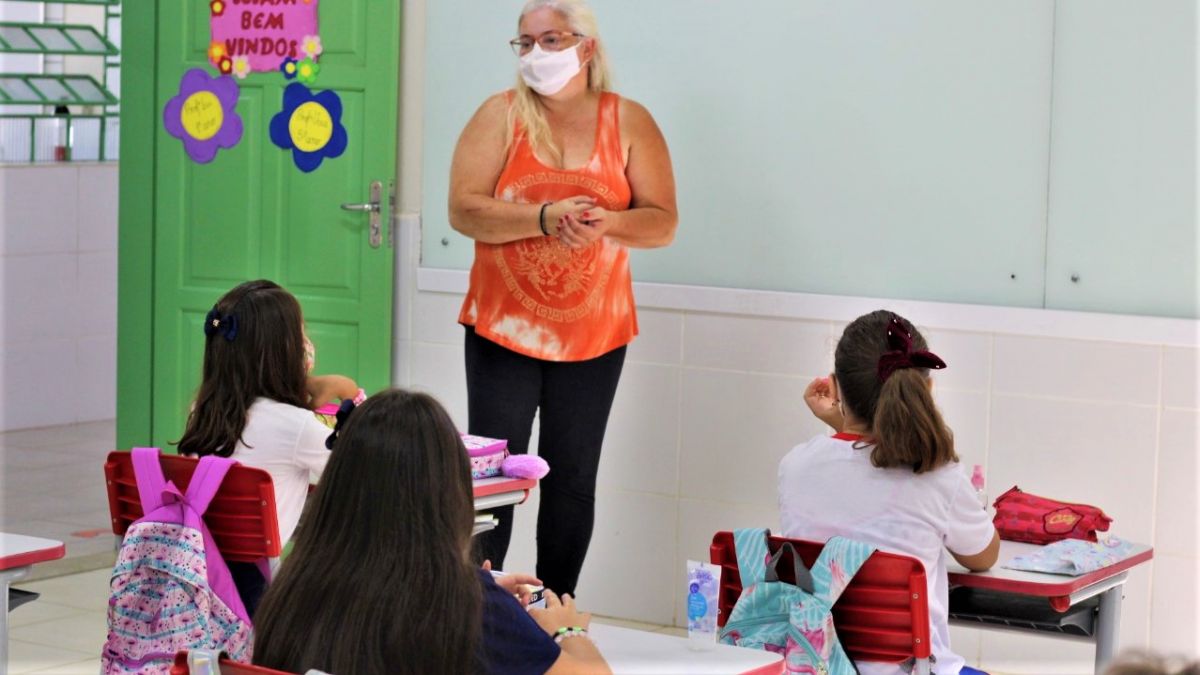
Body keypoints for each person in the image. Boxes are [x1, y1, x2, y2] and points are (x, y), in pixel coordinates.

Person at [448, 0, 678, 597]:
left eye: (551, 40)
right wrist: (544, 217)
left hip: (596, 337)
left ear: (587, 48)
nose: (536, 54)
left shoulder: (629, 121)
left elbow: (661, 222)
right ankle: (483, 611)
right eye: (524, 43)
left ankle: (557, 611)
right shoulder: (498, 116)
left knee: (574, 480)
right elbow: (465, 209)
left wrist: (608, 224)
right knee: (494, 478)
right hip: (503, 332)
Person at [252, 389, 612, 675]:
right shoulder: (473, 611)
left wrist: (473, 589)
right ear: (450, 497)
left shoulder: (288, 594)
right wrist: (568, 631)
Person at [778, 310, 1000, 675]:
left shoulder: (795, 466)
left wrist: (840, 425)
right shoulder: (938, 476)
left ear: (834, 388)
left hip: (814, 664)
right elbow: (983, 556)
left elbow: (853, 466)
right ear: (926, 390)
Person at [177, 279, 363, 616]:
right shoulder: (297, 428)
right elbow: (363, 470)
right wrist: (347, 390)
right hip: (260, 597)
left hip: (201, 581)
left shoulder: (202, 411)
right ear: (281, 350)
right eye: (301, 333)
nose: (308, 344)